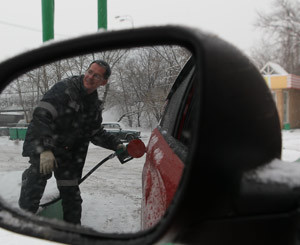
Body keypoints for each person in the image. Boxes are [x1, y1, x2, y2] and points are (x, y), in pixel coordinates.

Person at [19, 60, 127, 224]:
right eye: (89, 71)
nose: (90, 77)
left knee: (71, 195)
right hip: (45, 142)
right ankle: (23, 223)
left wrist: (117, 145)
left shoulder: (93, 106)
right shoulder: (64, 90)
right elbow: (41, 116)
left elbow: (95, 132)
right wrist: (45, 149)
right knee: (39, 176)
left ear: (103, 82)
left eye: (96, 75)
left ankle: (73, 233)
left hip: (67, 152)